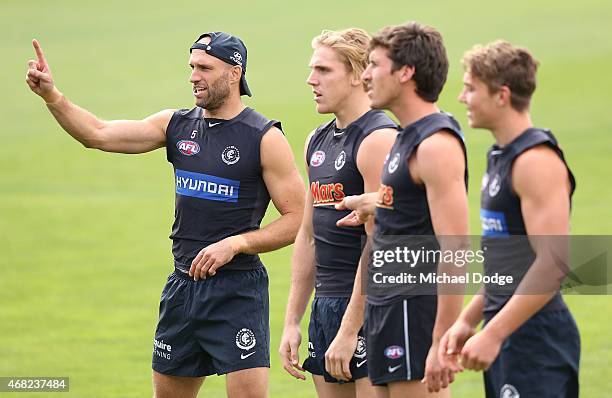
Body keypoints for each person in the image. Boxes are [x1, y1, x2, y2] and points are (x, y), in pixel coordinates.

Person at [26, 32, 305, 398]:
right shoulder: (176, 125)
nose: (193, 76)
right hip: (183, 287)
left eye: (205, 68)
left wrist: (237, 244)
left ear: (234, 73)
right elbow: (97, 134)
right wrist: (52, 96)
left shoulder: (263, 137)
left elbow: (298, 217)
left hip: (238, 292)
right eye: (191, 67)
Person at [333, 21, 470, 397]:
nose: (366, 76)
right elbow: (415, 202)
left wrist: (441, 341)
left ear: (406, 72)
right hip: (385, 306)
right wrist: (375, 203)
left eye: (374, 65)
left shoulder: (436, 145)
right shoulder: (405, 137)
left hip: (414, 307)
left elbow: (456, 247)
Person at [438, 40, 580, 398]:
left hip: (536, 338)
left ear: (502, 95)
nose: (461, 98)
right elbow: (513, 265)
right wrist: (470, 319)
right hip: (509, 329)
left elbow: (553, 264)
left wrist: (494, 332)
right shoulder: (500, 154)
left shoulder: (536, 161)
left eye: (470, 89)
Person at [278, 28, 397, 398]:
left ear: (359, 73)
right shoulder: (317, 139)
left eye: (323, 70)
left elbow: (381, 242)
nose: (311, 80)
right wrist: (292, 321)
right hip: (326, 305)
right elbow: (309, 234)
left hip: (369, 308)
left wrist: (350, 328)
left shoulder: (379, 139)